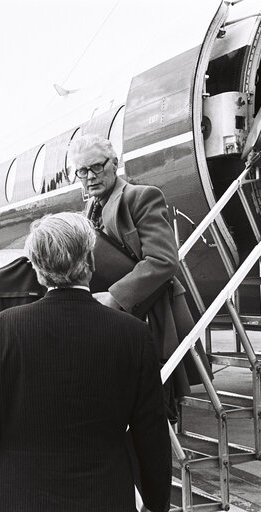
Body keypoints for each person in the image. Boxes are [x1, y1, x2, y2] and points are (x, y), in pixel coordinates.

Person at [0, 212, 171, 512]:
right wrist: (156, 502)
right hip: (104, 498)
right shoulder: (133, 334)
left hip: (16, 498)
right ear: (90, 263)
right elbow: (152, 436)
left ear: (39, 271)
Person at [68, 134, 210, 408]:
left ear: (114, 163)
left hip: (152, 313)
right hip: (122, 319)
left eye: (97, 166)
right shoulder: (91, 207)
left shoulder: (142, 196)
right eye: (82, 171)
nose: (90, 176)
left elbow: (163, 260)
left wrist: (114, 296)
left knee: (156, 400)